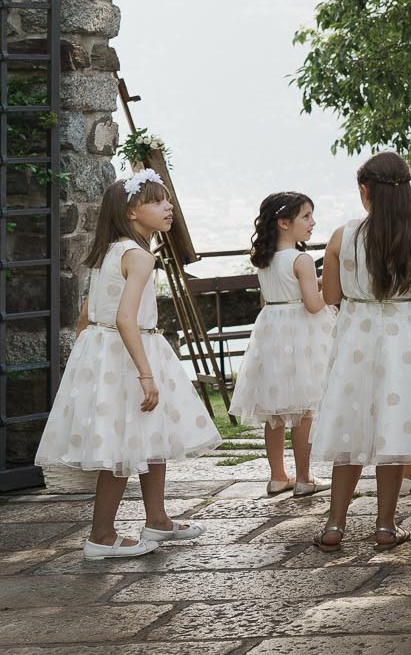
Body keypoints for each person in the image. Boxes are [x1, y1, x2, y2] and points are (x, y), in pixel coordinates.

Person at [35, 170, 219, 558]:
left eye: (167, 199)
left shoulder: (108, 252)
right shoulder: (139, 256)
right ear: (132, 212)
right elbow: (124, 318)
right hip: (131, 351)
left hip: (108, 353)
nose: (168, 207)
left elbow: (86, 317)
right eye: (156, 201)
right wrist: (145, 372)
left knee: (150, 437)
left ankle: (158, 520)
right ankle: (101, 536)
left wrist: (91, 367)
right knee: (120, 447)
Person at [313, 152, 411, 552]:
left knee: (350, 430)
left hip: (357, 340)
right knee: (396, 429)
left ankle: (334, 524)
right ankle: (384, 525)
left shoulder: (342, 236)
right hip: (409, 340)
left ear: (365, 191)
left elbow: (330, 295)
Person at [228, 192, 337, 498]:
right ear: (284, 222)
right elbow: (314, 305)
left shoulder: (265, 260)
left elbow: (272, 296)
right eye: (306, 217)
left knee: (275, 410)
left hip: (272, 329)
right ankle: (303, 478)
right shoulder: (301, 259)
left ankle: (278, 476)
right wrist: (330, 291)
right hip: (301, 333)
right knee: (303, 409)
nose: (312, 223)